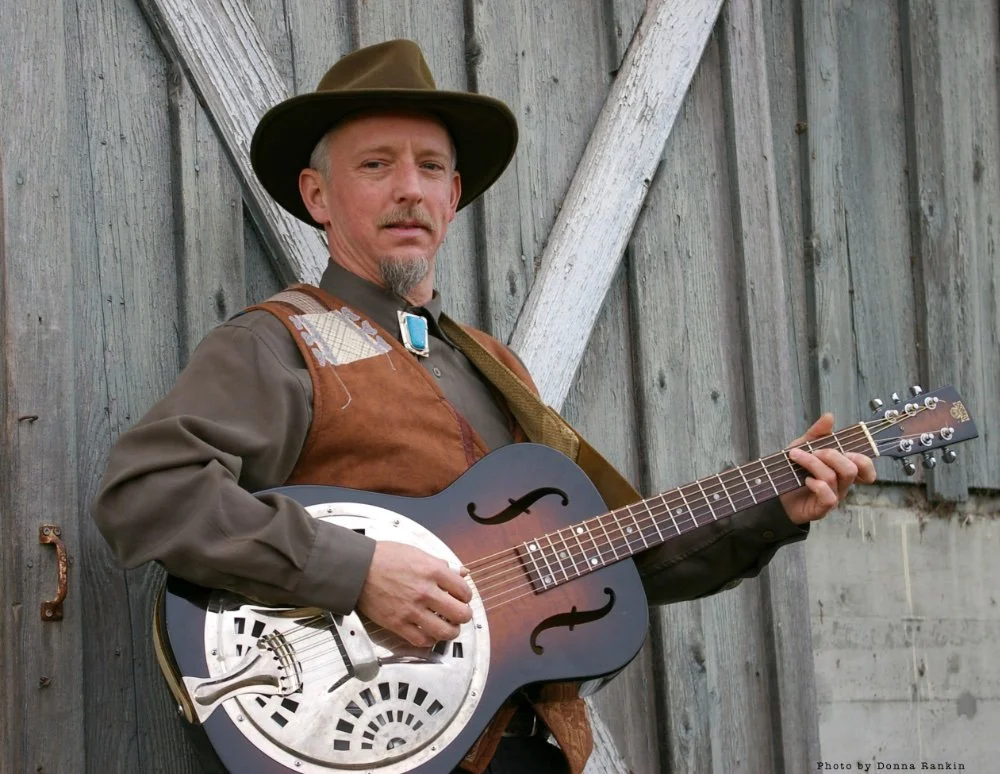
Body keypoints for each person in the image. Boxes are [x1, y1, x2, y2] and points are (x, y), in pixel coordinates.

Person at [93, 39, 876, 774]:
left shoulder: (493, 365)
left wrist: (775, 507)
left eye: (431, 167)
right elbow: (149, 495)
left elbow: (603, 560)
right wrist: (357, 569)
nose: (409, 187)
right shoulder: (277, 344)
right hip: (371, 739)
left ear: (453, 195)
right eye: (376, 164)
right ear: (317, 195)